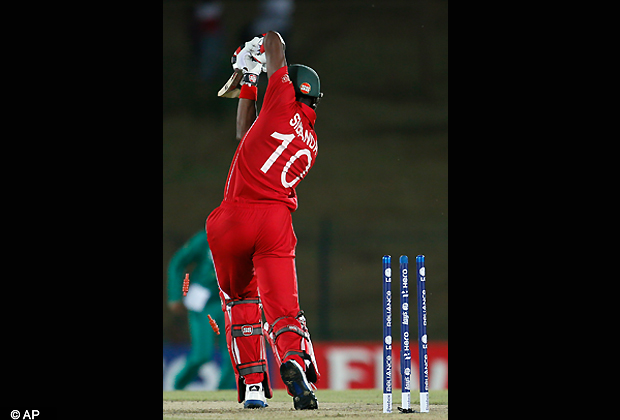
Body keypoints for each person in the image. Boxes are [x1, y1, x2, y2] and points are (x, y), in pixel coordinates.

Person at [206, 30, 323, 409]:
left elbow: (276, 40)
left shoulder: (280, 102)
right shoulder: (310, 140)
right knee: (284, 307)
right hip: (274, 222)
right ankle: (291, 360)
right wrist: (250, 80)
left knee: (239, 301)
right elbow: (247, 135)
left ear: (288, 87)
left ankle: (254, 386)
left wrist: (258, 48)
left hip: (232, 219)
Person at [167, 229, 236, 390]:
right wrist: (175, 295)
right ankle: (176, 388)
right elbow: (178, 262)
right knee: (201, 355)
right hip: (203, 303)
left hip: (230, 302)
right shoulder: (207, 237)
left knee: (233, 354)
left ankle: (222, 397)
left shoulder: (245, 238)